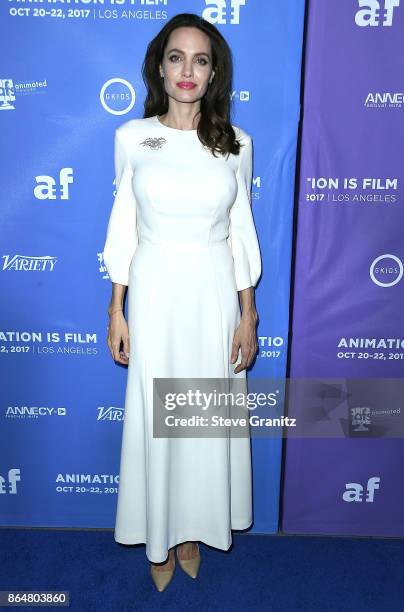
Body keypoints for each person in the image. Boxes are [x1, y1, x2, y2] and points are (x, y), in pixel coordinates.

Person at [103, 12, 262, 591]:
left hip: (214, 294)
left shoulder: (235, 144)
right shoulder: (131, 138)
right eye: (176, 57)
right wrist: (116, 309)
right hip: (155, 294)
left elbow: (241, 231)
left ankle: (193, 529)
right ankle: (159, 534)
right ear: (160, 67)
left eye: (200, 59)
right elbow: (123, 227)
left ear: (213, 71)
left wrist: (248, 312)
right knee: (156, 417)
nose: (187, 70)